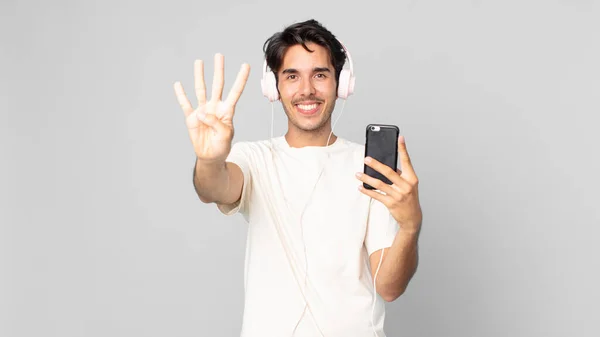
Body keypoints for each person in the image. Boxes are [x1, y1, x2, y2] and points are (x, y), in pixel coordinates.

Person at [174, 19, 423, 337]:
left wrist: (410, 225)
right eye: (292, 76)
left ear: (341, 83)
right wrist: (209, 159)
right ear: (274, 87)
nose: (307, 90)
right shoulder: (254, 159)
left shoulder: (371, 166)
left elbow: (389, 287)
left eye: (320, 75)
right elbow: (213, 187)